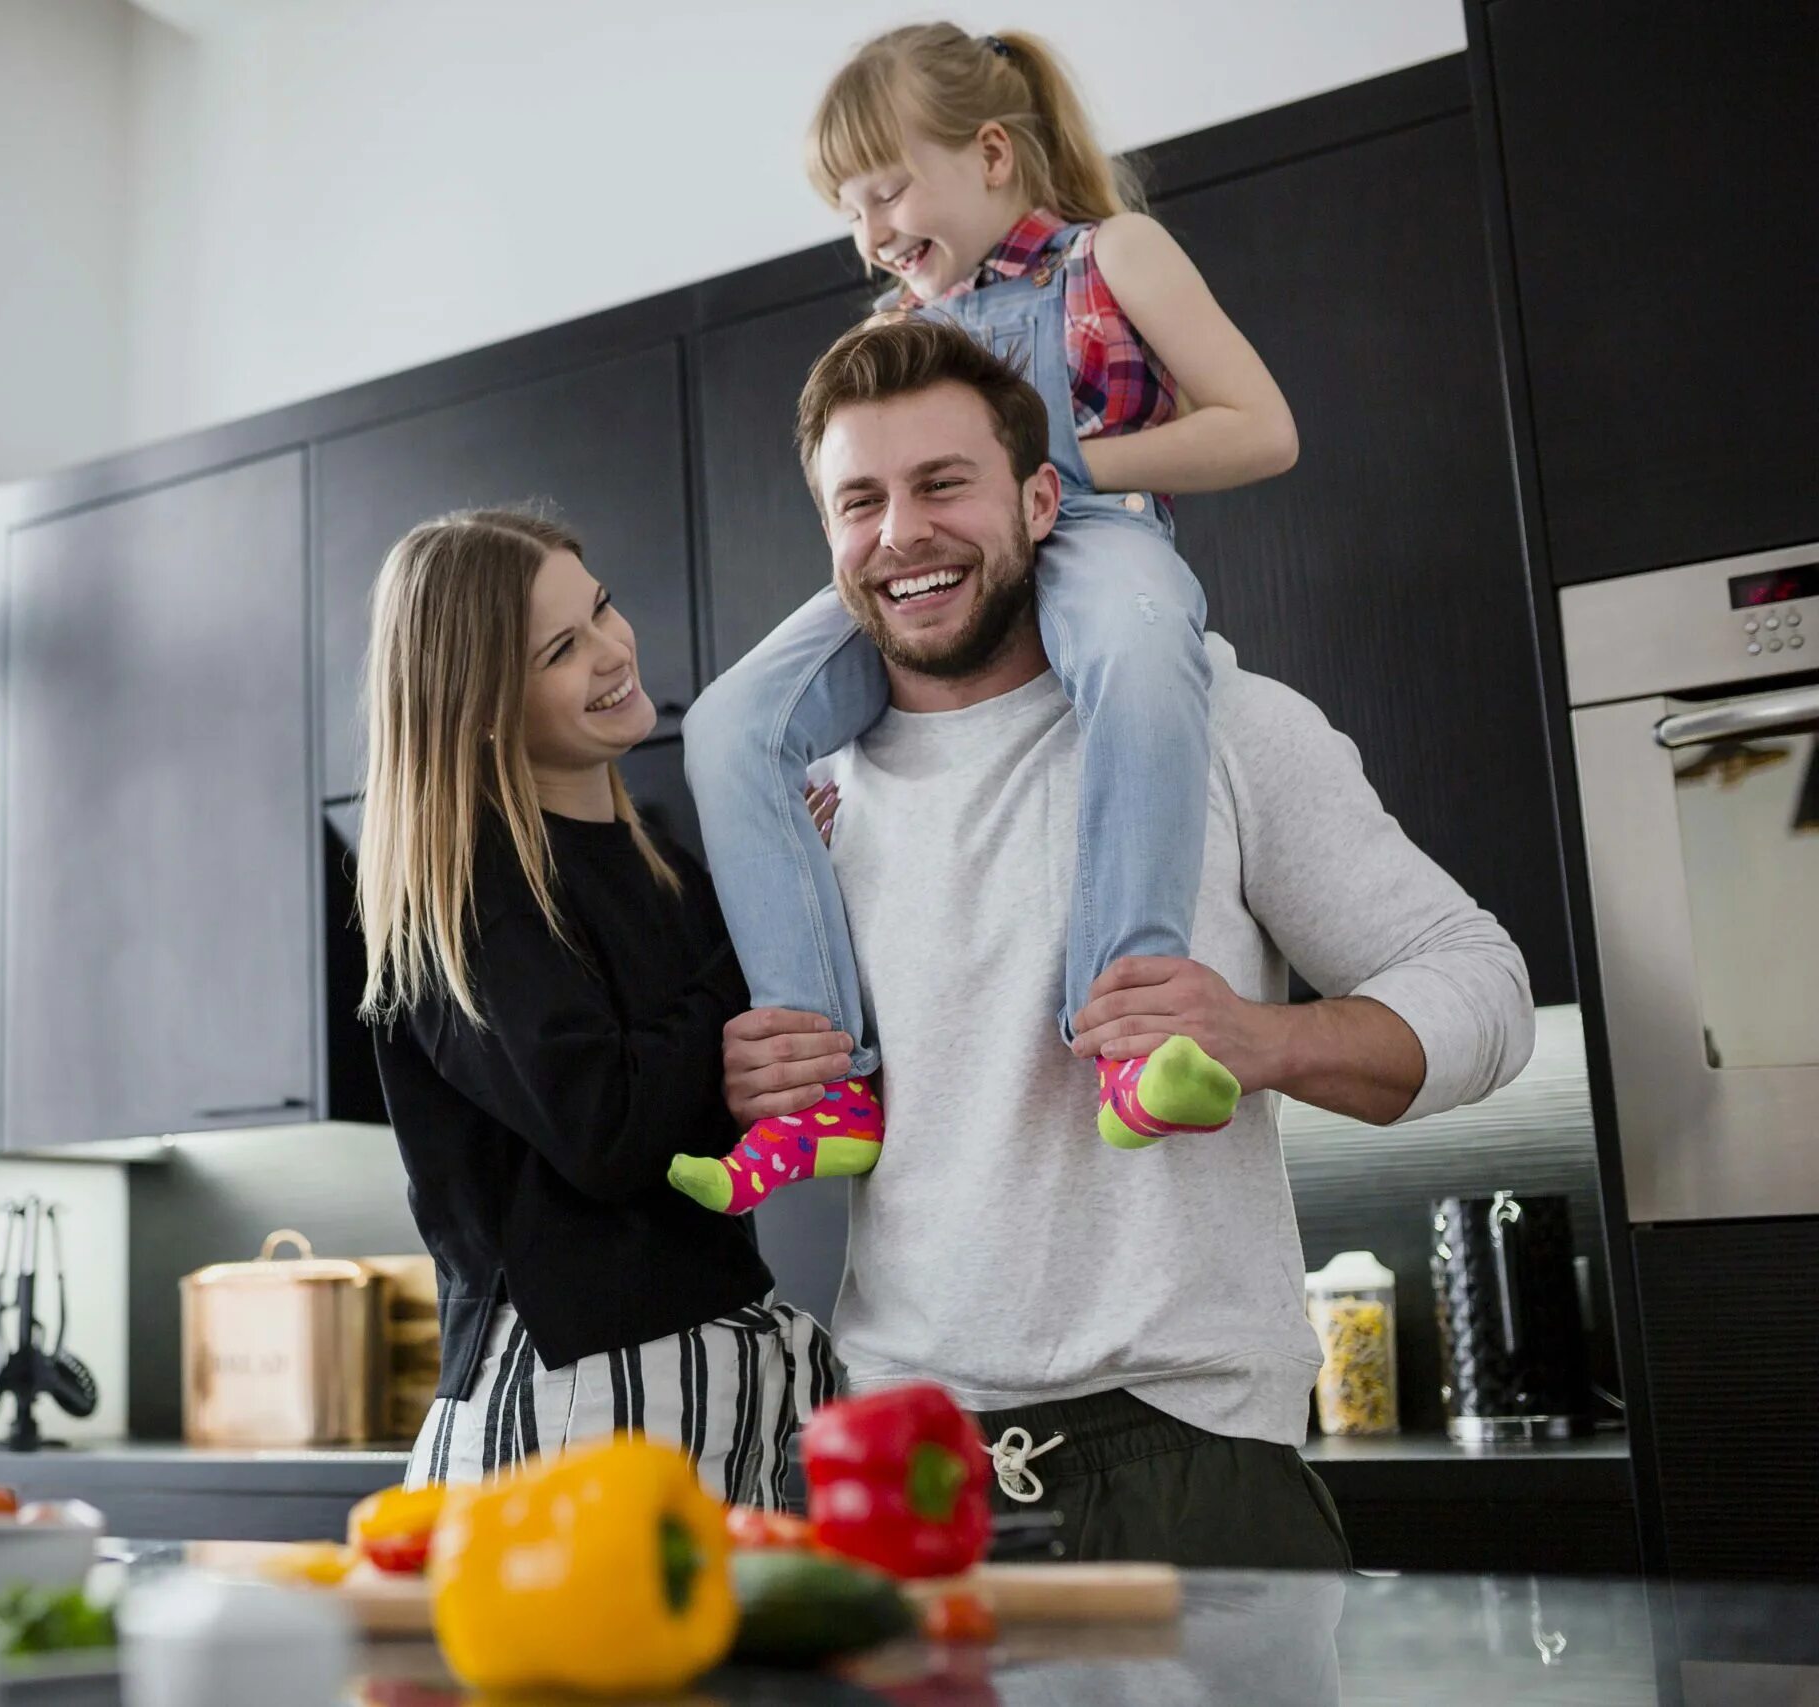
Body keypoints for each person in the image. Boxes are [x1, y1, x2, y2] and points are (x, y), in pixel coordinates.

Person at [728, 312, 1532, 1567]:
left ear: (1042, 500)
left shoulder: (1226, 725)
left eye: (944, 484)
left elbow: (1485, 990)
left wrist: (1259, 1037)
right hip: (892, 1459)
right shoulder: (810, 803)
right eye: (859, 502)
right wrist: (757, 1077)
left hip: (1189, 1452)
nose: (902, 535)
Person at [672, 24, 1301, 1215]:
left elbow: (1260, 429)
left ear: (995, 154)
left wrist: (1045, 469)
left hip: (1100, 530)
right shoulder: (885, 338)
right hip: (934, 569)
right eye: (849, 210)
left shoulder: (1114, 254)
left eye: (887, 189)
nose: (870, 233)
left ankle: (1126, 1035)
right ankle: (830, 1088)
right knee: (729, 723)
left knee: (1133, 647)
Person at [354, 507, 841, 1501]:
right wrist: (754, 941)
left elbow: (703, 1112)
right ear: (481, 704)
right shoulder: (457, 891)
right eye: (562, 649)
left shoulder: (661, 862)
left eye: (602, 608)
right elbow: (605, 1127)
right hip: (573, 1403)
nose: (613, 651)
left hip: (703, 1376)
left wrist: (791, 887)